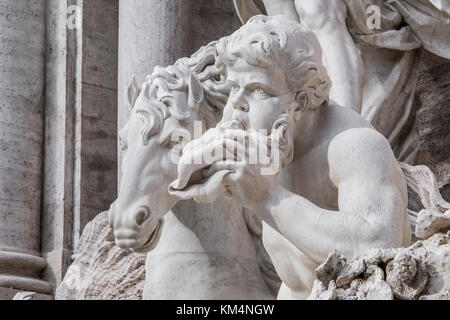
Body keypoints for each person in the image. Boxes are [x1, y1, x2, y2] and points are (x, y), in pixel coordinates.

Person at [169, 15, 411, 299]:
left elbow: (379, 244)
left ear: (303, 99)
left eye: (258, 90)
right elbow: (295, 284)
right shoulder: (273, 149)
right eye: (234, 87)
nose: (236, 106)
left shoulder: (354, 146)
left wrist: (266, 196)